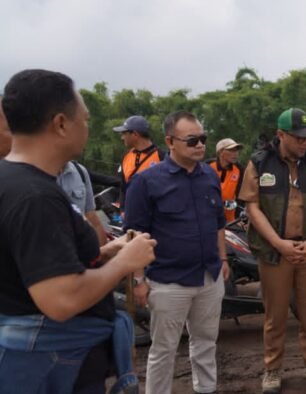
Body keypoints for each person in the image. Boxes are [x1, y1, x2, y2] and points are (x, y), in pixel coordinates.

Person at [0, 69, 156, 393]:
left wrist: (104, 253)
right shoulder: (36, 197)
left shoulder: (12, 179)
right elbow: (61, 299)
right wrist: (125, 263)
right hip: (50, 366)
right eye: (83, 119)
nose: (87, 127)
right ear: (60, 124)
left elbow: (32, 266)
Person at [124, 111, 230, 394]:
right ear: (170, 141)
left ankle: (206, 389)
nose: (200, 145)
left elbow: (219, 222)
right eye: (192, 140)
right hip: (168, 280)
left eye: (203, 139)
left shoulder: (209, 175)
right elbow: (135, 235)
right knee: (164, 349)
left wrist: (222, 259)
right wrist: (138, 280)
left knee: (206, 342)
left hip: (209, 276)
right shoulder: (146, 182)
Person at [239, 108, 306, 393]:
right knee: (275, 316)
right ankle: (272, 369)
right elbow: (252, 207)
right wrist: (279, 243)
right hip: (274, 252)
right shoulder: (259, 164)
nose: (305, 142)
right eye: (299, 138)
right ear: (281, 135)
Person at [113, 115, 165, 203]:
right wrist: (123, 209)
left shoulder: (162, 157)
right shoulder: (126, 157)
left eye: (124, 133)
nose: (122, 137)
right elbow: (123, 187)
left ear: (135, 134)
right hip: (132, 213)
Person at [57, 160, 108, 245]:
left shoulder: (80, 171)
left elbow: (91, 216)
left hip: (78, 252)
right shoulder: (32, 175)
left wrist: (104, 253)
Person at [208, 138, 245, 222]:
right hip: (209, 217)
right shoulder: (207, 166)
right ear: (220, 152)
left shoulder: (239, 169)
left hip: (231, 220)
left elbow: (241, 196)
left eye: (236, 150)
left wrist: (239, 216)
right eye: (231, 150)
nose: (235, 153)